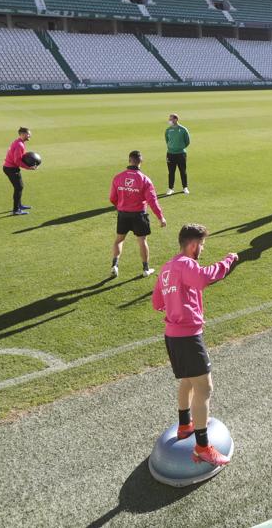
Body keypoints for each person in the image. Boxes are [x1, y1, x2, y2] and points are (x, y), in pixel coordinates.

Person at [152, 223, 239, 466]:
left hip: (172, 335)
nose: (201, 250)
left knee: (188, 380)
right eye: (201, 245)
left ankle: (184, 425)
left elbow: (157, 302)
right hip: (188, 336)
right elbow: (204, 279)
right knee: (205, 387)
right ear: (192, 245)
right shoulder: (186, 264)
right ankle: (202, 446)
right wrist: (228, 261)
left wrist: (176, 301)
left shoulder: (167, 268)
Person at [110, 150, 166, 278]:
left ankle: (115, 265)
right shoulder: (145, 179)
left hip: (123, 214)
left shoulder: (118, 177)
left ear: (129, 160)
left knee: (119, 240)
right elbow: (152, 201)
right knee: (142, 241)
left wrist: (120, 206)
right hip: (139, 215)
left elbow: (112, 198)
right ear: (141, 162)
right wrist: (160, 217)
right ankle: (146, 269)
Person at [2, 127, 36, 215]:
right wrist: (29, 167)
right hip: (11, 169)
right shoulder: (19, 145)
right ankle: (16, 210)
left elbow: (19, 157)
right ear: (23, 134)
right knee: (19, 188)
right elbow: (17, 160)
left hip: (11, 168)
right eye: (29, 134)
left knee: (19, 187)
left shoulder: (18, 142)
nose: (30, 135)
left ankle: (19, 205)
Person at [164, 114, 191, 196]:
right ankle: (170, 188)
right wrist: (172, 147)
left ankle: (185, 187)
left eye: (171, 119)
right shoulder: (168, 130)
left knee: (183, 171)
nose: (169, 120)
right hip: (170, 154)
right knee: (171, 172)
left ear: (176, 119)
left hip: (181, 154)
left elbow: (187, 141)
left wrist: (180, 148)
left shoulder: (183, 129)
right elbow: (167, 140)